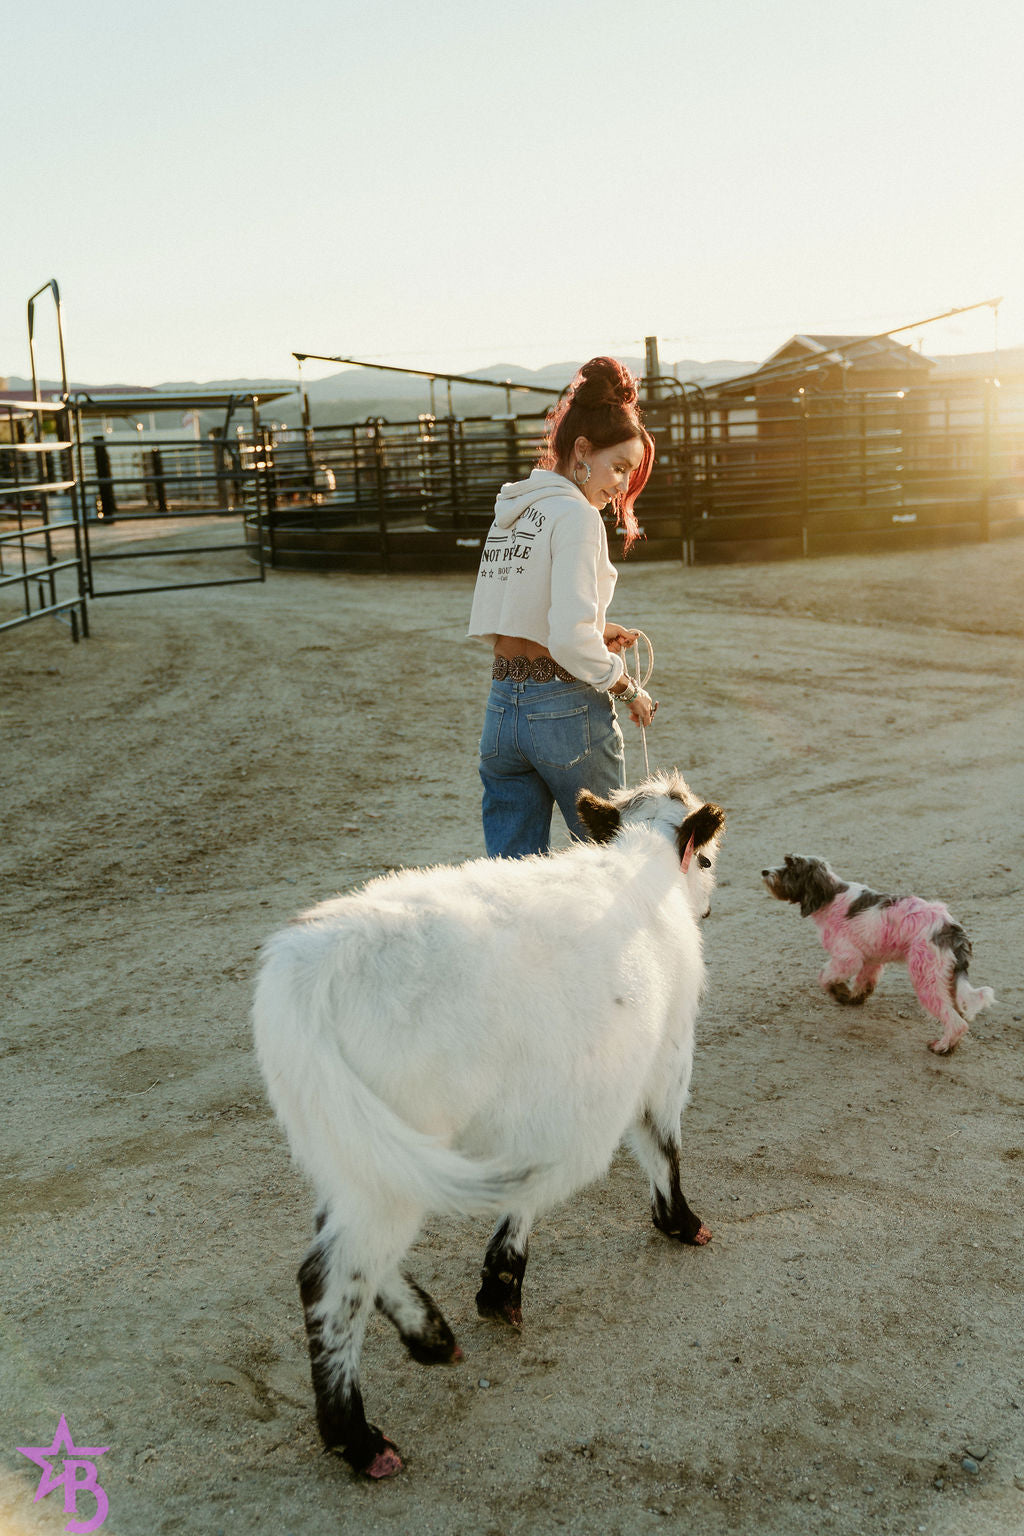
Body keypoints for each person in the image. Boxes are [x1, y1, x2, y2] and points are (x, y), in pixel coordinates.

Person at [467, 355, 657, 857]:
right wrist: (625, 685)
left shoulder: (515, 509)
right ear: (581, 450)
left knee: (510, 878)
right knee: (608, 862)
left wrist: (598, 625)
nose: (620, 484)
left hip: (502, 708)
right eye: (617, 467)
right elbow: (571, 639)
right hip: (563, 711)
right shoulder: (576, 516)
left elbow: (515, 608)